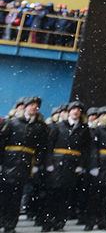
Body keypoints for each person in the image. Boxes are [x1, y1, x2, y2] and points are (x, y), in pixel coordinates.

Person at [0, 96, 47, 233]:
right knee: (3, 195)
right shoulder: (11, 123)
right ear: (25, 107)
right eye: (31, 105)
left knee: (16, 196)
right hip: (8, 163)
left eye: (36, 106)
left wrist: (36, 163)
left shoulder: (39, 127)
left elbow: (41, 148)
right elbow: (2, 143)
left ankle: (10, 225)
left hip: (24, 165)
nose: (33, 107)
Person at [41, 100, 90, 232]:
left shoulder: (84, 129)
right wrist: (49, 163)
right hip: (57, 164)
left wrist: (81, 165)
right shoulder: (58, 127)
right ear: (68, 112)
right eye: (74, 109)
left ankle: (59, 223)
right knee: (52, 194)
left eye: (79, 110)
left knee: (65, 195)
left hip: (72, 165)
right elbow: (49, 146)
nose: (76, 112)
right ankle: (47, 223)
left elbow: (85, 150)